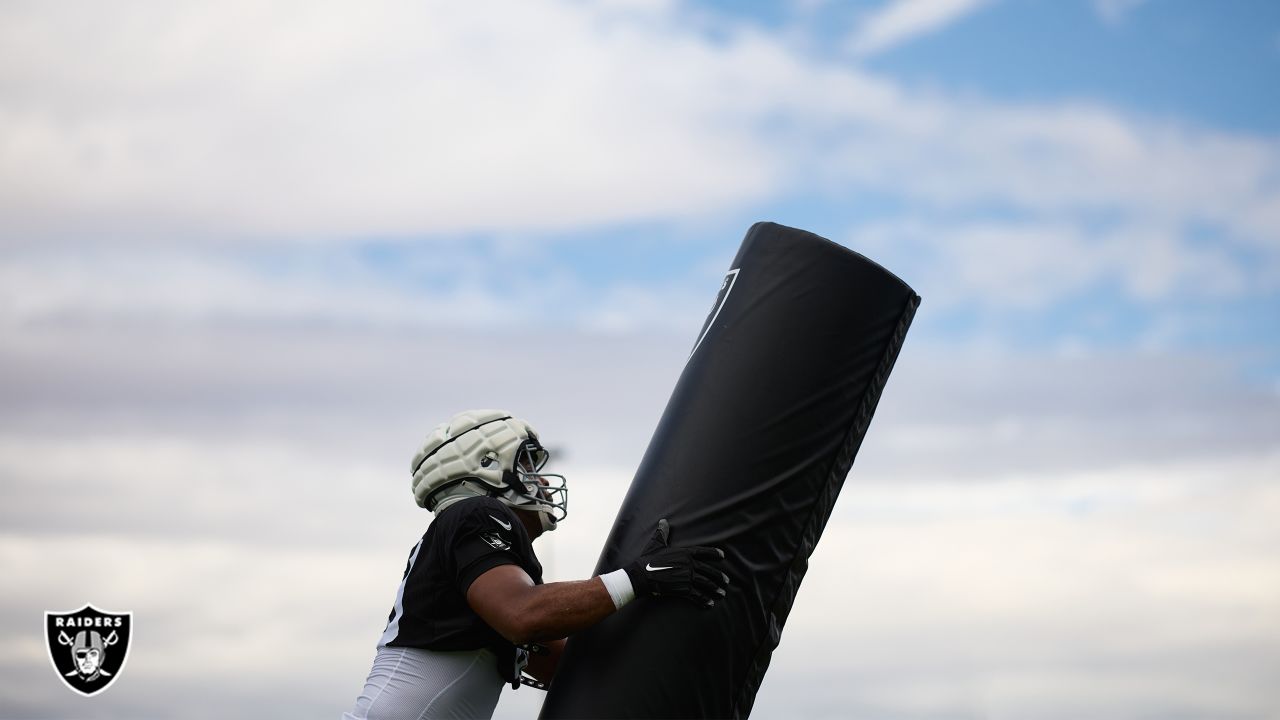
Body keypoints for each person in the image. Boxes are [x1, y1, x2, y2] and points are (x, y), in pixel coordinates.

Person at [343, 409, 729, 720]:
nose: (541, 481)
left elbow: (568, 665)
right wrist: (638, 577)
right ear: (487, 464)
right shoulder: (476, 513)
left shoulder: (471, 549)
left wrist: (644, 597)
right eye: (528, 465)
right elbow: (523, 616)